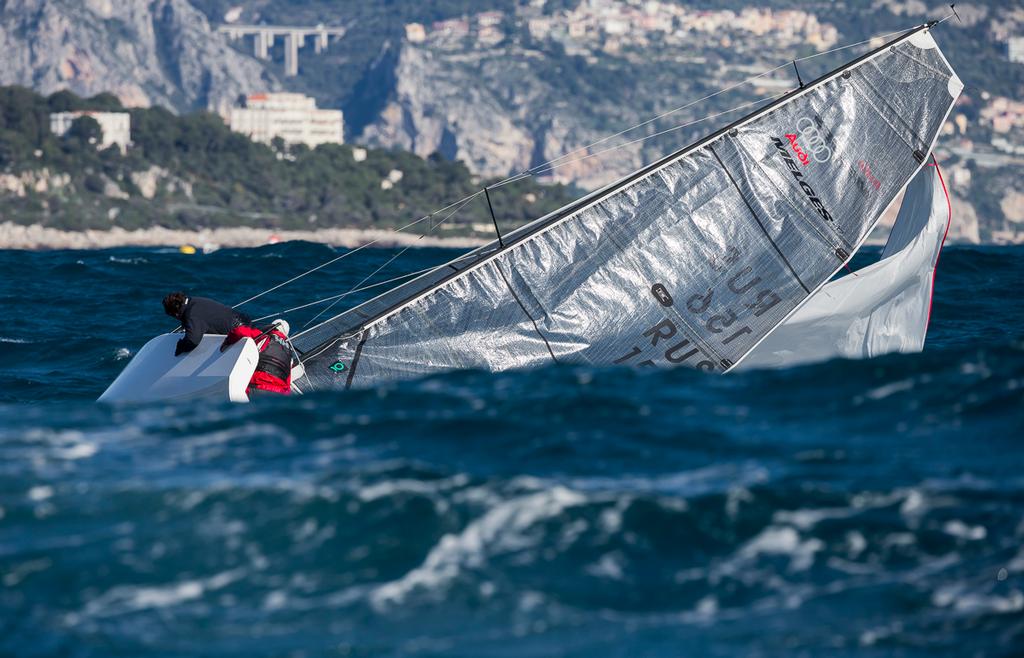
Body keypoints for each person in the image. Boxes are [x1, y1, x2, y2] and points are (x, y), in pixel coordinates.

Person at [162, 292, 251, 356]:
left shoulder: (192, 315)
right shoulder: (194, 301)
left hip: (240, 336)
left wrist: (180, 346)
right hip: (245, 322)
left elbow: (193, 341)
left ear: (175, 313)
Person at [222, 319, 294, 396]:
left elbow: (239, 331)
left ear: (271, 327)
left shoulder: (263, 337)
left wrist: (227, 343)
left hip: (257, 387)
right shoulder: (290, 355)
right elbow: (287, 384)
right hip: (279, 395)